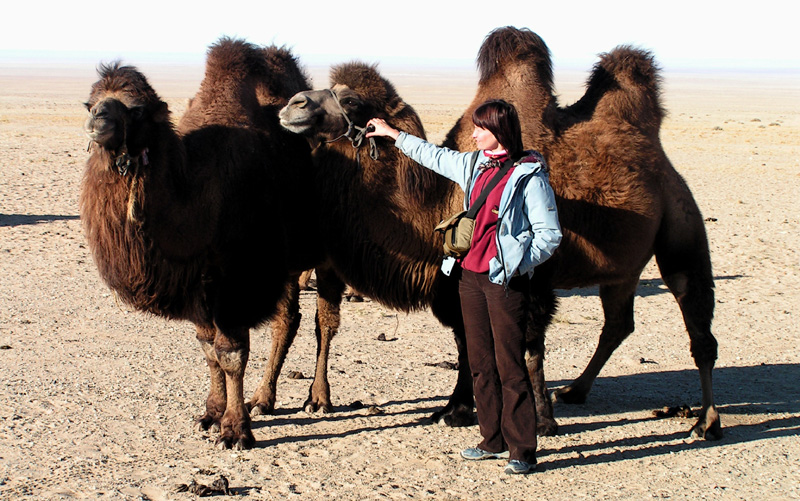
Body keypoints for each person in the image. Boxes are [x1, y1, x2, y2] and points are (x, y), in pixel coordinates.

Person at [367, 99, 562, 475]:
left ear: (499, 132)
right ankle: (491, 441)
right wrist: (393, 135)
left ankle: (521, 450)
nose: (472, 134)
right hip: (468, 277)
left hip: (504, 281)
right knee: (480, 363)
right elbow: (432, 156)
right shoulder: (475, 165)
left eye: (480, 129)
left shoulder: (529, 177)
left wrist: (514, 264)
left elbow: (550, 235)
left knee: (510, 366)